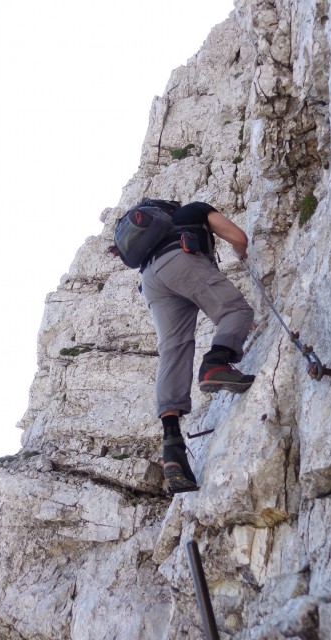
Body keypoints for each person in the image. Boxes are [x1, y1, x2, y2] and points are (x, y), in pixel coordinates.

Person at [112, 200, 255, 493]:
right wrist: (242, 254)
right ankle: (216, 364)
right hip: (180, 259)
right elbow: (239, 238)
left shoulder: (150, 245)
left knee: (173, 350)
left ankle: (172, 445)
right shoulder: (193, 211)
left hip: (150, 282)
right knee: (237, 312)